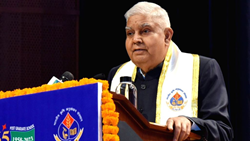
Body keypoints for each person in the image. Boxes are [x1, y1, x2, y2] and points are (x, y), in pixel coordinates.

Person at [107, 1, 234, 141]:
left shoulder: (202, 68)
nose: (135, 39)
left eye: (145, 31)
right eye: (130, 33)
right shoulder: (117, 74)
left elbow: (223, 131)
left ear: (167, 36)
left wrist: (191, 123)